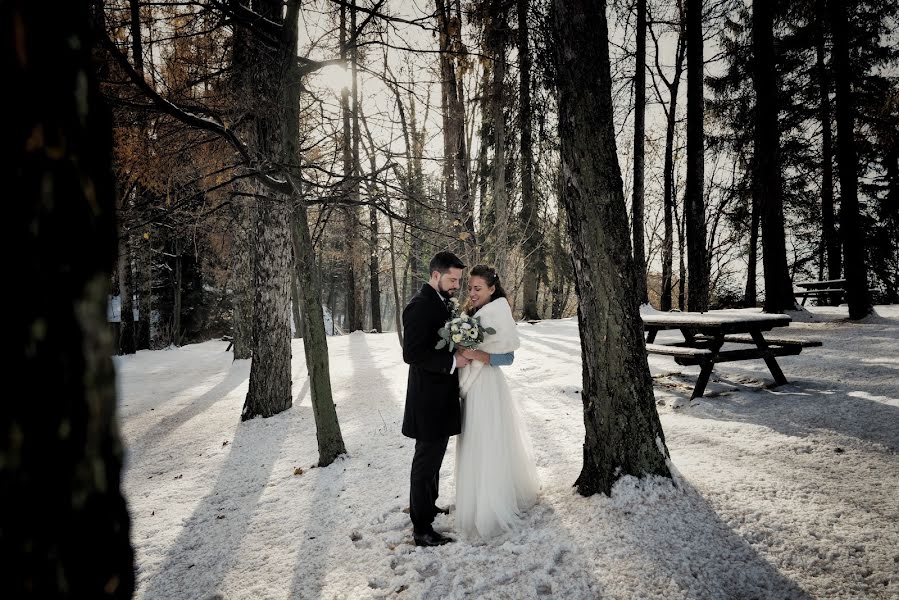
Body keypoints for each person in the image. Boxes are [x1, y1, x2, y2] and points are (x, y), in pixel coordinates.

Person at [454, 265, 540, 539]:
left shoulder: (499, 312)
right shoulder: (471, 315)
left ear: (492, 289)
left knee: (488, 442)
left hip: (489, 387)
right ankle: (474, 499)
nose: (472, 293)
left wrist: (478, 355)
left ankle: (491, 505)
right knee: (472, 441)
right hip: (471, 386)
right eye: (470, 288)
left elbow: (508, 357)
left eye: (478, 288)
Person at [401, 251, 471, 547]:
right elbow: (412, 354)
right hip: (427, 400)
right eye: (452, 279)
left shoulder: (440, 302)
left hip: (440, 398)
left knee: (434, 459)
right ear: (435, 275)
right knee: (425, 462)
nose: (456, 284)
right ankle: (421, 529)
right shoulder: (419, 306)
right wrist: (452, 363)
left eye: (458, 279)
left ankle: (427, 507)